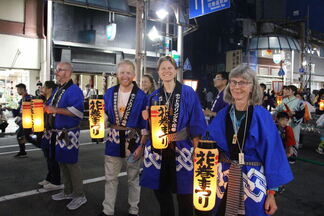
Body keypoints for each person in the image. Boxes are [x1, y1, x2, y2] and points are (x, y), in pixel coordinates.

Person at [206, 64, 293, 216]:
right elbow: (209, 145)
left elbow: (273, 154)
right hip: (223, 178)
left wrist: (271, 193)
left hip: (253, 180)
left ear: (252, 87)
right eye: (233, 82)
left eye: (243, 83)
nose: (237, 86)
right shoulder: (222, 114)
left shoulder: (262, 116)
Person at [140, 56, 207, 216]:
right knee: (161, 191)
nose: (166, 71)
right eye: (163, 68)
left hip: (182, 148)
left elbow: (196, 119)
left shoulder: (187, 92)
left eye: (170, 68)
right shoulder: (154, 96)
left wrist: (197, 146)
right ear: (158, 72)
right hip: (158, 149)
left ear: (176, 70)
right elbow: (147, 127)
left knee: (185, 193)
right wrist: (146, 117)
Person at [98, 60, 147, 216]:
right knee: (110, 178)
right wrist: (99, 124)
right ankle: (108, 211)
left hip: (133, 141)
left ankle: (134, 210)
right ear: (117, 74)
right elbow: (103, 114)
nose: (125, 76)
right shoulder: (109, 93)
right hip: (113, 140)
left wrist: (142, 146)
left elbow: (145, 124)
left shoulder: (141, 96)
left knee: (133, 178)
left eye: (128, 73)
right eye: (122, 72)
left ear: (133, 75)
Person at [44, 62, 87, 210]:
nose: (56, 73)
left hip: (69, 132)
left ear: (68, 73)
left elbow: (78, 112)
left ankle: (80, 195)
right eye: (56, 70)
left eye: (60, 70)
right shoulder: (59, 89)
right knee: (62, 162)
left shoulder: (74, 90)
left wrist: (55, 109)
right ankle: (68, 191)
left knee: (72, 164)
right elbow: (50, 106)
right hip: (58, 132)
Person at [37, 81, 61, 190]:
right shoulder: (47, 98)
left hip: (53, 132)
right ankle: (49, 177)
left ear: (50, 89)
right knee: (48, 156)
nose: (42, 88)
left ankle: (56, 181)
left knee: (52, 157)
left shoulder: (54, 99)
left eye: (44, 87)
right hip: (47, 131)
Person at [275, 85, 304, 164]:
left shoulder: (299, 101)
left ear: (293, 92)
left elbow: (302, 113)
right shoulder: (284, 100)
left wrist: (294, 113)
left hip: (292, 121)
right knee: (283, 138)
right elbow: (278, 109)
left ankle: (292, 156)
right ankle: (283, 155)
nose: (286, 91)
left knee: (294, 139)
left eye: (288, 90)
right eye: (285, 90)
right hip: (283, 122)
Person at [7, 83, 36, 157]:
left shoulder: (29, 98)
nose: (17, 91)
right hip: (23, 121)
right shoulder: (22, 100)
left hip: (28, 121)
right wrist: (11, 109)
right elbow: (19, 111)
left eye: (18, 89)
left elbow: (33, 110)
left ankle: (40, 145)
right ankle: (23, 151)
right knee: (21, 135)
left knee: (22, 135)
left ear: (22, 89)